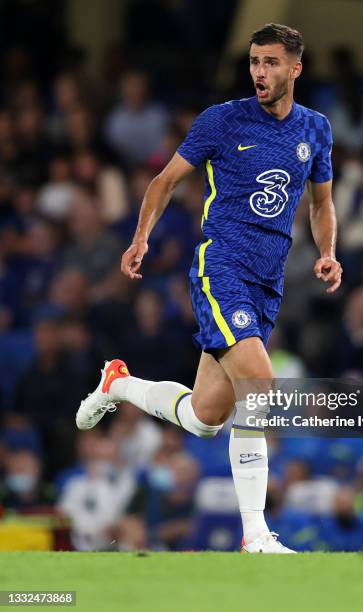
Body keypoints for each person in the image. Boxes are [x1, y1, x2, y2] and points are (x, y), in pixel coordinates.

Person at [76, 23, 342, 554]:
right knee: (260, 387)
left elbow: (321, 203)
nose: (259, 72)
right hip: (220, 267)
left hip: (266, 285)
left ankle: (118, 384)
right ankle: (256, 535)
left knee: (204, 418)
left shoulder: (316, 129)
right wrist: (141, 239)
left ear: (296, 68)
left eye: (270, 63)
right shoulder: (222, 120)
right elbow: (164, 181)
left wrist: (329, 252)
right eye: (253, 62)